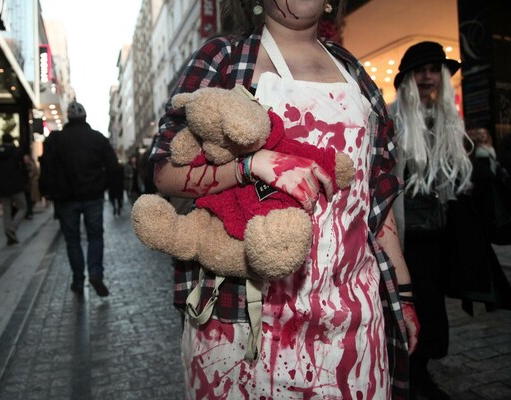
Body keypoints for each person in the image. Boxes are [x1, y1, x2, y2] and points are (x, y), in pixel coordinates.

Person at [150, 1, 419, 398]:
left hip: (355, 324)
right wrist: (250, 164)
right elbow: (164, 174)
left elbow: (373, 199)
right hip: (244, 323)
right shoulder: (224, 59)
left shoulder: (356, 73)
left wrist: (405, 291)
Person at [390, 41, 474, 400]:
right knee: (412, 306)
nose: (428, 77)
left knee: (433, 308)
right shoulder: (392, 119)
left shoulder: (447, 121)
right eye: (421, 70)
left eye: (434, 69)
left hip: (439, 233)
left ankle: (420, 370)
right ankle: (411, 375)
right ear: (408, 78)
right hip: (409, 238)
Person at [51, 101, 118, 297]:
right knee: (95, 236)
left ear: (68, 118)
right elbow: (113, 166)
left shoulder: (58, 140)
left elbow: (49, 170)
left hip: (67, 198)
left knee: (72, 241)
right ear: (85, 118)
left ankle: (78, 281)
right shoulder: (97, 138)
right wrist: (104, 184)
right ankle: (95, 273)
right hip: (93, 195)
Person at [0, 133, 28, 245]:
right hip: (16, 186)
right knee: (23, 207)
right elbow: (23, 169)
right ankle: (12, 228)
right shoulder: (17, 152)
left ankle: (8, 232)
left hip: (1, 187)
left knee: (6, 211)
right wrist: (24, 182)